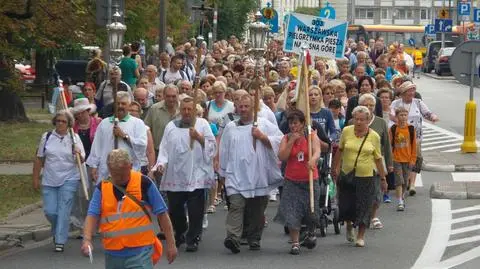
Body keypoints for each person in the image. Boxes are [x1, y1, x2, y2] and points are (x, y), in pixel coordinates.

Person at [81, 149, 177, 268]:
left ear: (130, 166)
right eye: (115, 174)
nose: (119, 178)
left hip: (140, 251)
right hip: (112, 253)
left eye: (122, 173)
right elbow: (92, 215)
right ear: (109, 169)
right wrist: (87, 240)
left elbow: (162, 214)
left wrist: (171, 244)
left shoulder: (144, 183)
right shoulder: (102, 188)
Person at [219, 94, 283, 253]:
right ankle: (233, 237)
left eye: (247, 106)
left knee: (256, 209)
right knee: (236, 205)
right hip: (235, 174)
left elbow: (280, 141)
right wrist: (222, 171)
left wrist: (262, 136)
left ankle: (254, 238)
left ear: (253, 108)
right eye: (241, 106)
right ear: (236, 108)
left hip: (257, 173)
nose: (243, 109)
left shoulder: (263, 124)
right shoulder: (230, 127)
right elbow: (224, 149)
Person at [152, 97, 216, 252]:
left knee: (196, 210)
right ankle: (181, 231)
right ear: (180, 110)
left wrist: (199, 138)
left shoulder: (202, 124)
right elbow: (164, 149)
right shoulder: (171, 127)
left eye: (190, 109)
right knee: (175, 209)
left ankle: (193, 238)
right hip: (176, 174)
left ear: (195, 110)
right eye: (184, 109)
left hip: (197, 174)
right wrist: (160, 164)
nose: (187, 112)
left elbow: (212, 148)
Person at [333, 106, 387, 247]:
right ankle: (350, 225)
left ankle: (361, 236)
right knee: (347, 205)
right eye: (356, 119)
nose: (358, 122)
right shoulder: (346, 131)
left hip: (366, 176)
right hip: (347, 174)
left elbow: (378, 158)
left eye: (362, 120)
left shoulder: (374, 136)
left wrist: (383, 178)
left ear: (368, 120)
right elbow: (340, 150)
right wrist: (335, 168)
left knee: (364, 206)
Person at [32, 110, 85, 252]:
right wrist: (35, 178)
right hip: (50, 179)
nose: (60, 123)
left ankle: (60, 240)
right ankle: (58, 230)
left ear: (69, 124)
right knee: (50, 211)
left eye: (63, 121)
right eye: (58, 121)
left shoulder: (74, 138)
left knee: (63, 210)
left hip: (69, 178)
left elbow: (82, 159)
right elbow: (39, 158)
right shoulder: (47, 137)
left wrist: (78, 152)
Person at [275, 109, 321, 255]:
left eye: (296, 123)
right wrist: (292, 141)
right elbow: (282, 156)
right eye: (290, 123)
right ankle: (295, 242)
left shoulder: (311, 135)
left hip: (309, 180)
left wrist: (313, 159)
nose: (293, 126)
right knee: (292, 213)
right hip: (292, 180)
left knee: (311, 212)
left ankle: (309, 233)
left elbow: (317, 151)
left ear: (302, 124)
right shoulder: (286, 138)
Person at [87, 91, 148, 183]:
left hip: (129, 171)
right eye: (117, 103)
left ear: (129, 105)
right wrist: (94, 166)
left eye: (123, 103)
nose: (120, 106)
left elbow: (142, 145)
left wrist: (124, 136)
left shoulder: (137, 123)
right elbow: (97, 147)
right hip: (106, 171)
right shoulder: (104, 123)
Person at [390, 81, 438, 196]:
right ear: (403, 93)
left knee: (415, 158)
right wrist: (397, 121)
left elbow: (427, 113)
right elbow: (391, 115)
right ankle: (403, 182)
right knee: (402, 160)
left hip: (415, 137)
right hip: (400, 138)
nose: (412, 93)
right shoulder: (396, 103)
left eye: (413, 90)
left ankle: (412, 184)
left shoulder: (418, 102)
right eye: (409, 91)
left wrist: (433, 116)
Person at [358, 94, 393, 229]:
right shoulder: (353, 122)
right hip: (359, 162)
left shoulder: (380, 122)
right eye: (365, 105)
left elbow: (386, 145)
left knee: (376, 191)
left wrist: (389, 164)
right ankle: (361, 216)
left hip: (377, 161)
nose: (368, 108)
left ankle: (373, 216)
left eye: (371, 105)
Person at [390, 107, 417, 211]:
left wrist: (413, 159)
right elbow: (390, 145)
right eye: (401, 115)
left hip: (407, 159)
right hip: (396, 158)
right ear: (397, 117)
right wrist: (390, 160)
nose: (403, 117)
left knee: (405, 181)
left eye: (405, 115)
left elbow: (414, 145)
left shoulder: (410, 129)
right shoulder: (393, 129)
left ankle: (402, 197)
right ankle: (400, 202)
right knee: (399, 181)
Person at [128, 101, 156, 176]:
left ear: (140, 113)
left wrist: (151, 169)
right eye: (130, 110)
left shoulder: (145, 129)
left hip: (142, 165)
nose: (131, 112)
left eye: (134, 110)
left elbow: (150, 151)